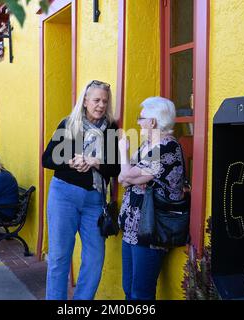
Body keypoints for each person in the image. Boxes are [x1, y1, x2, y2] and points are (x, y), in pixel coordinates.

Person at [42, 80, 120, 300]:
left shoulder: (111, 128)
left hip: (95, 201)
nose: (101, 105)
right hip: (64, 195)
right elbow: (47, 159)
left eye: (105, 101)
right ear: (85, 101)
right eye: (96, 100)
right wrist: (71, 161)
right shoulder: (70, 125)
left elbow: (115, 168)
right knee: (59, 257)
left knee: (95, 259)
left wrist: (95, 161)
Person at [118, 97, 186, 300]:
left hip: (150, 231)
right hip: (132, 229)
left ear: (153, 122)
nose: (138, 123)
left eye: (141, 118)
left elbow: (128, 174)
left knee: (141, 294)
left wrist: (123, 152)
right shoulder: (148, 146)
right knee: (129, 289)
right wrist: (131, 175)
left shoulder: (166, 148)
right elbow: (123, 179)